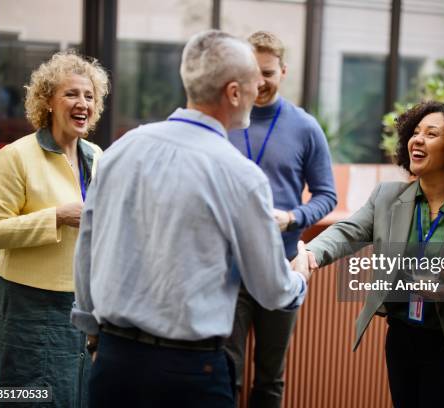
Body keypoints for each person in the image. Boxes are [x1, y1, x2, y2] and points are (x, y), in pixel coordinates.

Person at [70, 30, 312, 408]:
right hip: (190, 374)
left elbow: (86, 247)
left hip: (114, 364)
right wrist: (300, 276)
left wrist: (94, 337)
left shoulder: (122, 149)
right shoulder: (242, 176)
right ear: (234, 92)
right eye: (252, 84)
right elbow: (271, 290)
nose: (257, 92)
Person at [304, 101, 444, 407]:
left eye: (431, 134)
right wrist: (311, 254)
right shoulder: (387, 197)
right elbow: (347, 231)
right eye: (415, 132)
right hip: (403, 339)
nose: (417, 139)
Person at [0, 51, 109, 407]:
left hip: (82, 308)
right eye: (71, 94)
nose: (82, 102)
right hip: (28, 309)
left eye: (89, 96)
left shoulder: (97, 156)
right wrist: (56, 216)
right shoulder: (16, 157)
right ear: (47, 101)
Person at [224, 31, 336, 408]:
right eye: (253, 71)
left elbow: (327, 196)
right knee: (226, 370)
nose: (260, 81)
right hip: (228, 269)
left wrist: (292, 218)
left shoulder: (305, 127)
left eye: (268, 72)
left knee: (270, 378)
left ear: (283, 71)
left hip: (282, 265)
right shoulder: (223, 118)